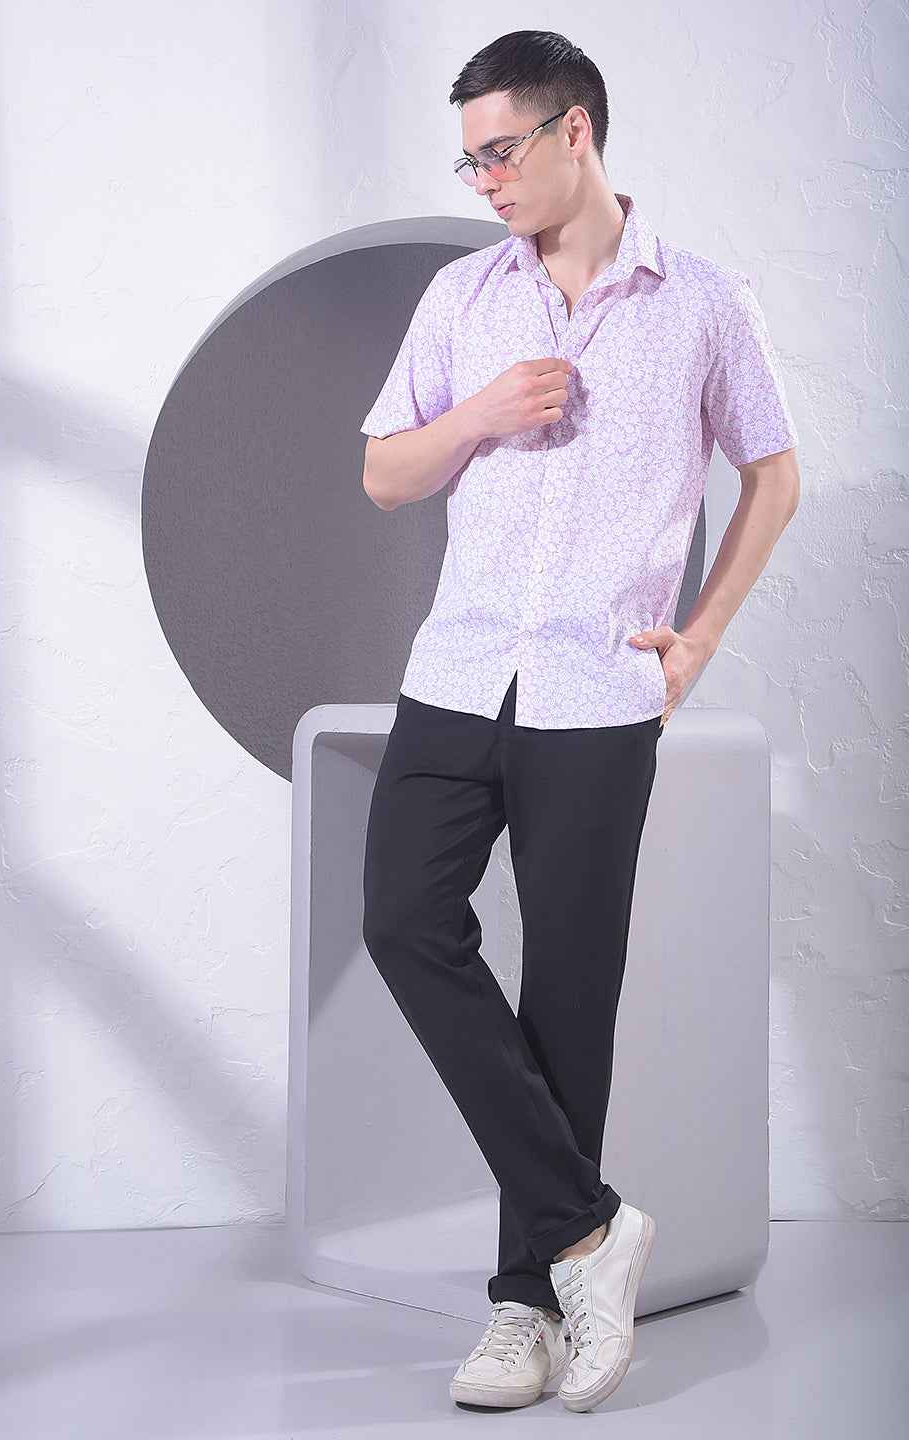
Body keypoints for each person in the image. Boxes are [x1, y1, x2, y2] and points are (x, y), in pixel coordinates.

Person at [358, 29, 800, 1416]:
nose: (485, 178)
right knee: (402, 920)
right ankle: (591, 1231)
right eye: (470, 160)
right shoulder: (460, 297)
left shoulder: (703, 302)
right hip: (458, 671)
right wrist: (481, 415)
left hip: (601, 690)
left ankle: (526, 1306)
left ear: (577, 132)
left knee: (569, 994)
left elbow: (775, 475)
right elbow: (385, 474)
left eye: (501, 151)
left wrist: (699, 640)